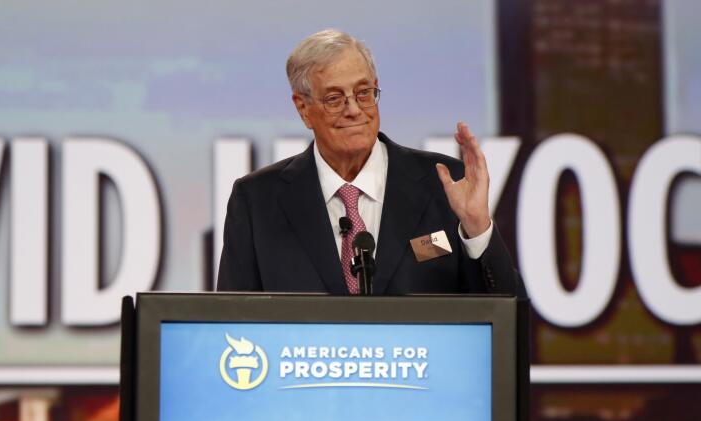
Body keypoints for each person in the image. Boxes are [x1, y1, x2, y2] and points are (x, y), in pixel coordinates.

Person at [217, 29, 519, 295]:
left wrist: (478, 229)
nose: (353, 110)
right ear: (303, 108)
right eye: (334, 99)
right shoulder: (257, 201)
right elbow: (231, 321)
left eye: (363, 93)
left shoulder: (443, 185)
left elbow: (507, 316)